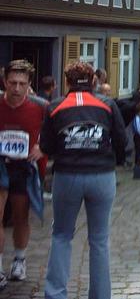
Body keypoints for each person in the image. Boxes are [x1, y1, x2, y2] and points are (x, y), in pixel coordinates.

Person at [40, 61, 126, 299]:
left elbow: (46, 146)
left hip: (67, 175)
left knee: (61, 235)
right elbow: (122, 141)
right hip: (102, 175)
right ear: (94, 81)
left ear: (67, 81)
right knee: (99, 240)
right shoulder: (107, 104)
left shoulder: (55, 106)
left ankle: (55, 294)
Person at [0, 60, 47, 290]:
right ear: (4, 82)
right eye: (12, 83)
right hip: (1, 164)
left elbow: (53, 132)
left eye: (22, 83)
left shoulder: (41, 107)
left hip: (24, 167)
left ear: (29, 84)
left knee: (20, 217)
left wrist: (42, 148)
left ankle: (19, 260)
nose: (16, 88)